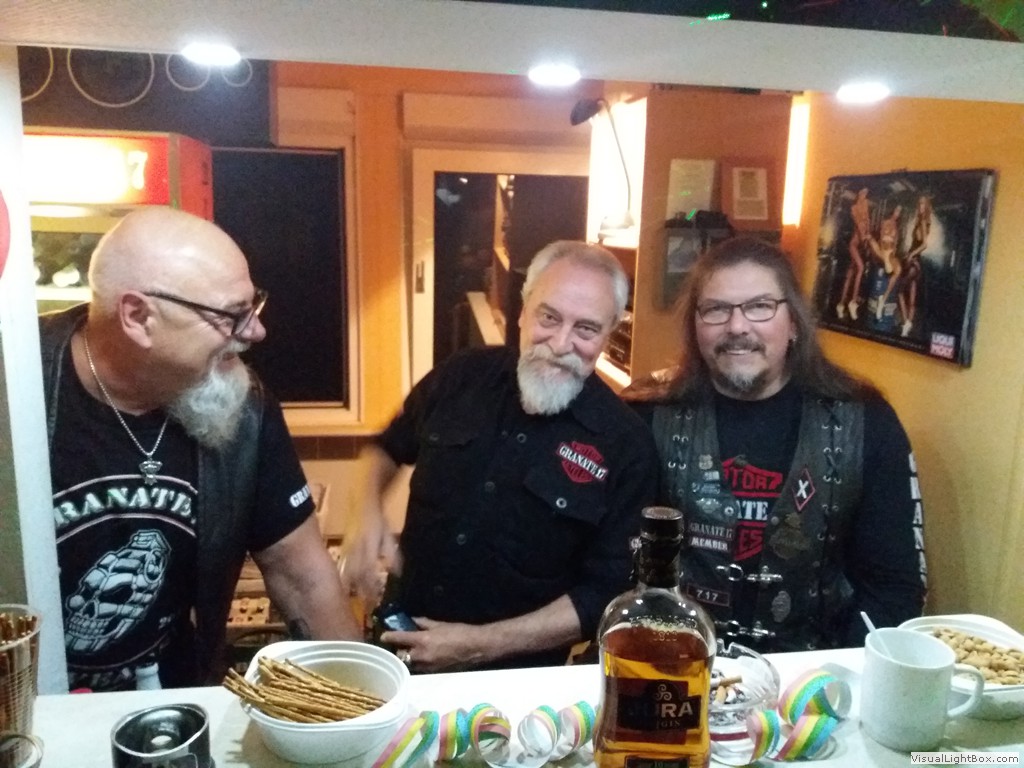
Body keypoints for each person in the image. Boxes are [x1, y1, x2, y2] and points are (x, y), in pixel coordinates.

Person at [38, 207, 362, 692]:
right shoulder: (16, 385)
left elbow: (303, 577)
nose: (255, 332)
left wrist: (363, 706)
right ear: (138, 316)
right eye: (231, 315)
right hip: (22, 709)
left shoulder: (246, 409)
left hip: (172, 702)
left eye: (253, 307)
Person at [341, 240, 658, 672]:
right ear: (524, 311)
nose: (561, 343)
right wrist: (365, 511)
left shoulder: (628, 445)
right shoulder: (461, 375)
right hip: (399, 645)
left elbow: (604, 595)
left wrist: (478, 646)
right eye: (549, 317)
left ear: (609, 332)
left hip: (515, 681)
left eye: (586, 329)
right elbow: (386, 448)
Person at [624, 237, 926, 652]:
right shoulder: (646, 415)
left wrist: (832, 677)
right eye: (716, 309)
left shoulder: (866, 423)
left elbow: (894, 589)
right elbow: (614, 565)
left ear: (795, 322)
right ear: (695, 326)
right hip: (670, 660)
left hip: (815, 670)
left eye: (760, 306)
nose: (737, 326)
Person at [898, 195, 932, 337]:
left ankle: (906, 322)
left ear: (927, 206)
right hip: (918, 264)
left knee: (899, 291)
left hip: (913, 262)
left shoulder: (923, 221)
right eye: (919, 203)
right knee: (912, 297)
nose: (920, 206)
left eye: (923, 203)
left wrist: (911, 254)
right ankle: (907, 326)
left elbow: (924, 244)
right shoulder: (924, 221)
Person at [836, 187, 871, 321]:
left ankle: (840, 305)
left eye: (866, 194)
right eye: (862, 193)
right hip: (854, 245)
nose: (864, 196)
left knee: (850, 275)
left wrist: (867, 239)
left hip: (861, 246)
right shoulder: (854, 208)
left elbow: (867, 226)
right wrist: (865, 237)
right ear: (858, 194)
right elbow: (860, 230)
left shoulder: (865, 207)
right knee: (860, 268)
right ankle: (853, 302)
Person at [866, 204, 903, 322]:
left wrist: (892, 253)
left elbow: (895, 244)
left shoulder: (896, 227)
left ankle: (883, 299)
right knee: (873, 243)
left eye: (899, 211)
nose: (897, 213)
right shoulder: (885, 223)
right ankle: (886, 260)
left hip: (890, 254)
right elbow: (882, 239)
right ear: (892, 211)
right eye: (897, 210)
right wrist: (884, 250)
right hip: (881, 251)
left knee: (898, 269)